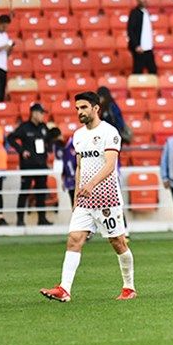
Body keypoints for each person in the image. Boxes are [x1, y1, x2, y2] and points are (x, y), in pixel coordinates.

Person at [39, 92, 135, 303]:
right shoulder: (78, 135)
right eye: (77, 109)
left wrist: (91, 185)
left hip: (107, 198)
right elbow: (80, 166)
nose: (80, 112)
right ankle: (64, 289)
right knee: (74, 239)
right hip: (84, 198)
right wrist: (76, 196)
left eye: (83, 107)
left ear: (95, 108)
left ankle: (129, 287)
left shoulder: (110, 132)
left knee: (118, 242)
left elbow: (110, 165)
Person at [7, 103, 57, 226]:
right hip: (27, 166)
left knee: (41, 192)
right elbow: (11, 138)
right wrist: (21, 151)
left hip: (41, 166)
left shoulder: (43, 127)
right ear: (34, 113)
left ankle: (42, 219)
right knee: (24, 192)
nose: (42, 116)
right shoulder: (24, 127)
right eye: (41, 113)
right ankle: (20, 219)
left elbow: (49, 140)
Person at [127, 0, 157, 75]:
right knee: (138, 70)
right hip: (139, 48)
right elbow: (130, 30)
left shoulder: (146, 12)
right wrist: (136, 45)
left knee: (152, 69)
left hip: (148, 47)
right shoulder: (134, 13)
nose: (144, 0)